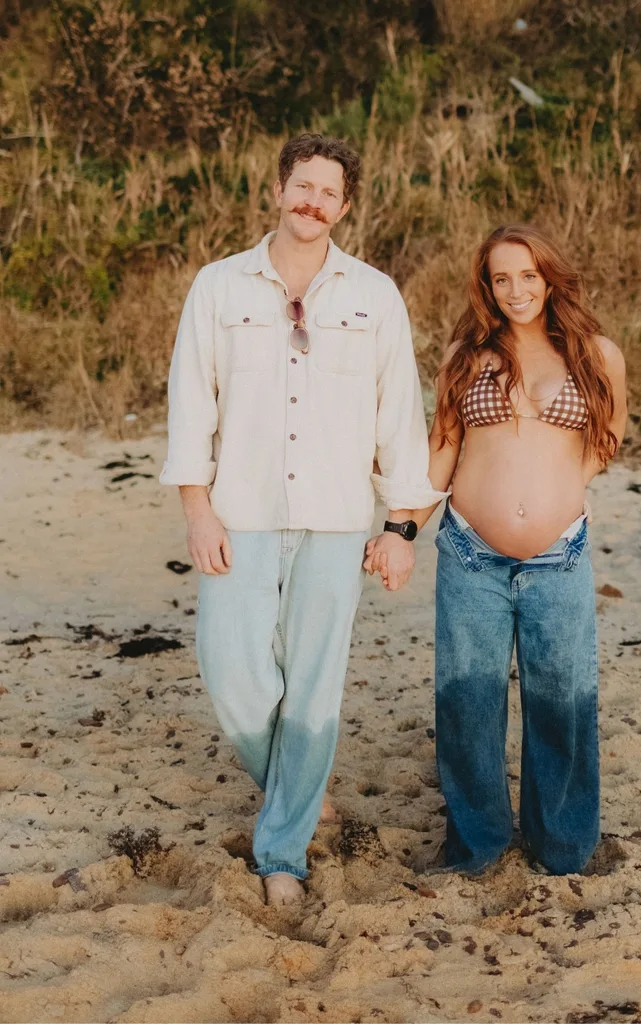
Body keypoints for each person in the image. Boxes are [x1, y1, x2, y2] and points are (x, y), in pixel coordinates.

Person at [160, 134, 447, 905]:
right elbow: (191, 404)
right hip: (239, 512)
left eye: (328, 192)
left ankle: (281, 854)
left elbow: (399, 417)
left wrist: (401, 526)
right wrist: (197, 510)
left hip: (336, 518)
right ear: (278, 190)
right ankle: (299, 785)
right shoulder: (218, 287)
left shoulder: (374, 295)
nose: (312, 201)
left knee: (314, 690)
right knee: (233, 673)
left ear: (344, 206)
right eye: (302, 186)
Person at [366, 224, 627, 875]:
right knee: (467, 707)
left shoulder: (597, 354)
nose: (515, 290)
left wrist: (565, 488)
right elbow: (441, 454)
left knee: (561, 705)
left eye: (527, 276)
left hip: (558, 560)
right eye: (500, 277)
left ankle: (563, 847)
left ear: (549, 278)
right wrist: (399, 530)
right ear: (486, 285)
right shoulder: (465, 355)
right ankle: (475, 846)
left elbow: (608, 435)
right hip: (471, 556)